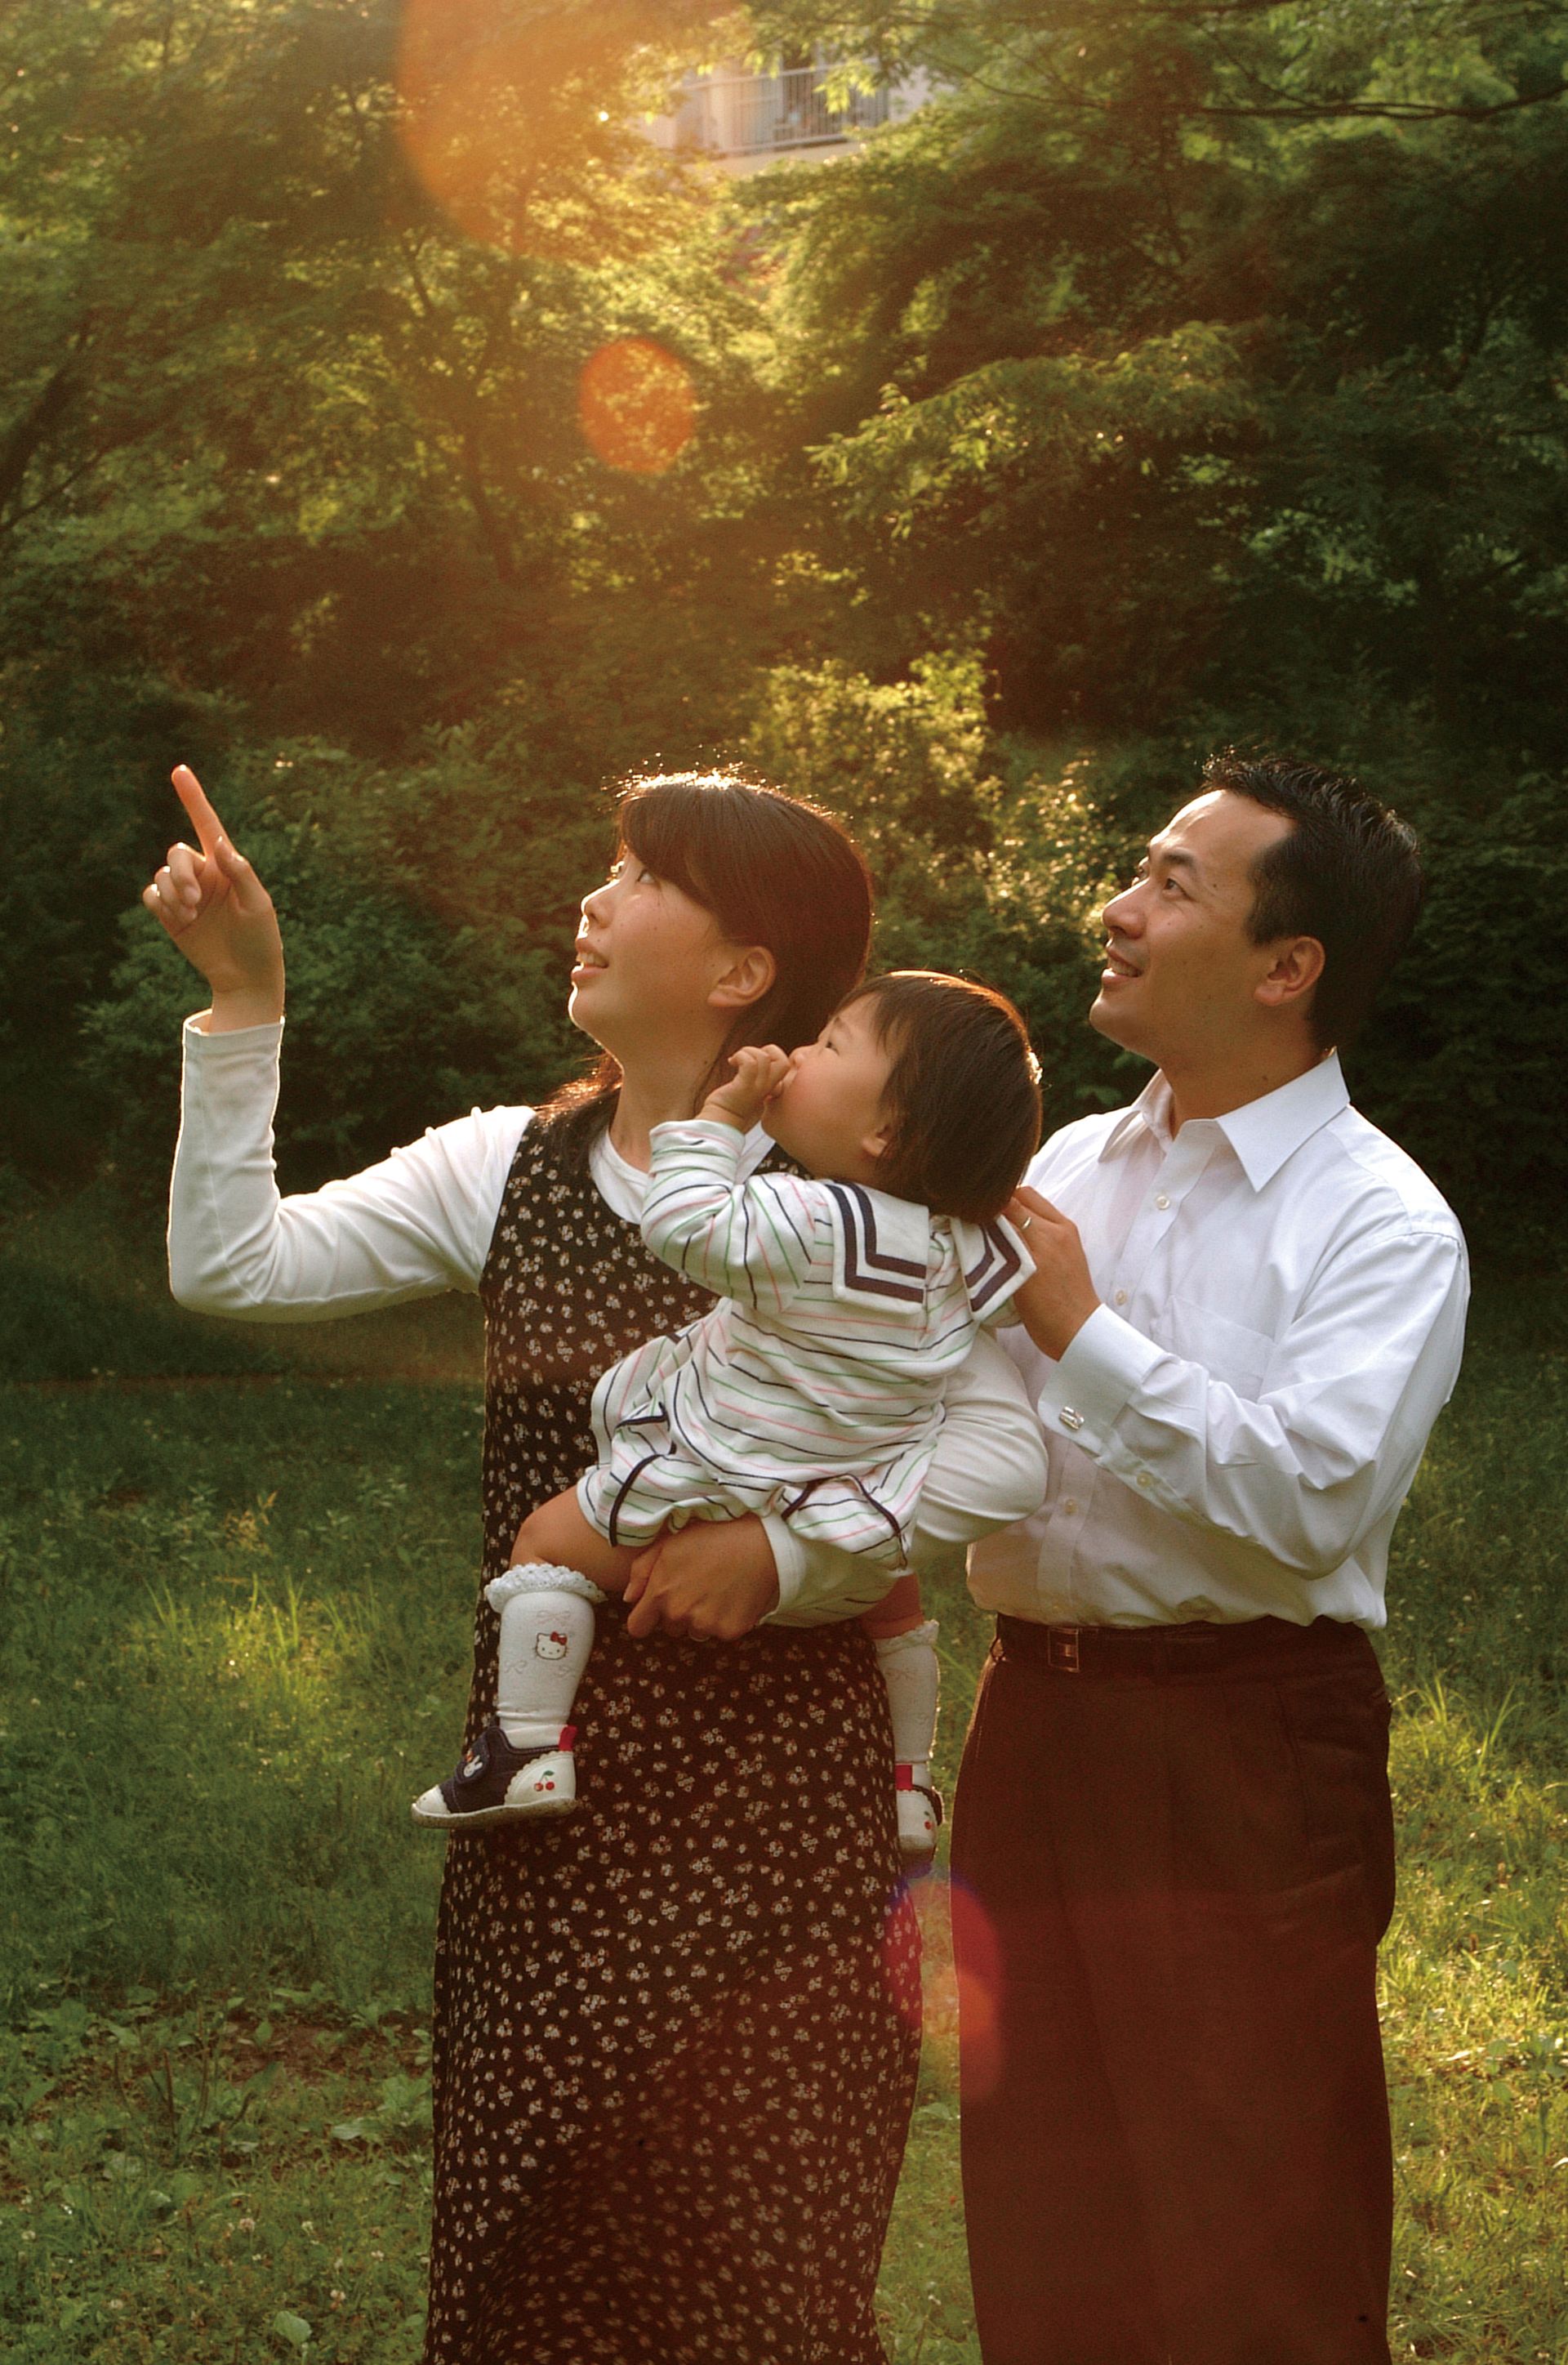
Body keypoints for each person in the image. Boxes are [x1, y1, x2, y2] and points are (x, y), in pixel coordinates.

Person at [147, 761, 1048, 2365]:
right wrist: (245, 1003)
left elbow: (987, 1459)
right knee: (533, 2260)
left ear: (745, 967)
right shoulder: (507, 1163)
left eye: (640, 873)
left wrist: (784, 1554)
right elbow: (233, 1265)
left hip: (788, 1818)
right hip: (550, 1803)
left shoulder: (869, 1194)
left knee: (767, 2267)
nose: (593, 896)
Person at [952, 752, 1469, 2365]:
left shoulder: (1380, 1221)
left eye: (1173, 882)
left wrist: (1077, 1331)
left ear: (1286, 964)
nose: (1118, 908)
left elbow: (1312, 1496)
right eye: (1139, 869)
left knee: (1255, 2238)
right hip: (1029, 1722)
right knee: (1043, 2213)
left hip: (1248, 1742)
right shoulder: (1058, 1177)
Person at [406, 973, 1041, 1860]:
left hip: (709, 1492)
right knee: (898, 1600)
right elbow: (1013, 1307)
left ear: (884, 1133)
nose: (801, 1052)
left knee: (545, 1542)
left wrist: (721, 1122)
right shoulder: (959, 1249)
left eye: (832, 1044)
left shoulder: (810, 1218)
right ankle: (909, 1784)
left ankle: (526, 1748)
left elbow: (685, 1223)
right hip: (846, 1535)